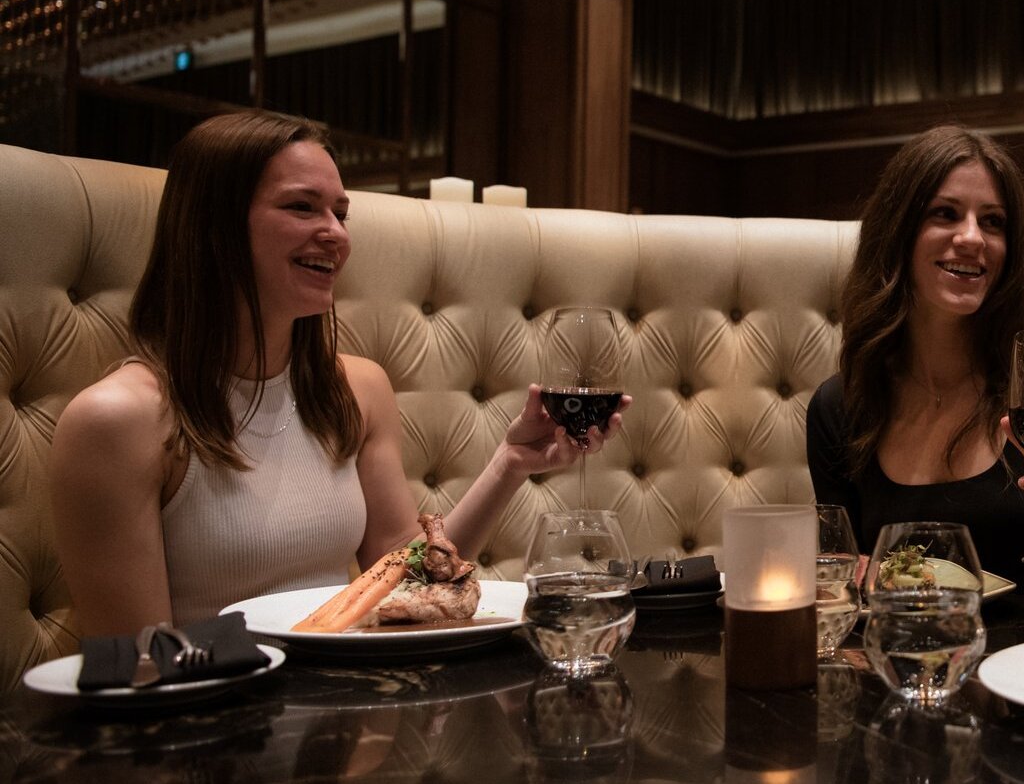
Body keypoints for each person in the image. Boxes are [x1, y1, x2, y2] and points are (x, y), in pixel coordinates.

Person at [49, 112, 628, 634]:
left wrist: (510, 463)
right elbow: (137, 663)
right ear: (213, 228)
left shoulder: (357, 388)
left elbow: (405, 580)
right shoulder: (118, 419)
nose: (337, 234)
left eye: (340, 213)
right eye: (302, 207)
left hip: (350, 724)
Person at [807, 125, 1024, 595]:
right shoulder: (839, 407)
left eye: (994, 222)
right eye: (945, 213)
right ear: (897, 232)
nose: (972, 237)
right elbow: (844, 590)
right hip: (903, 664)